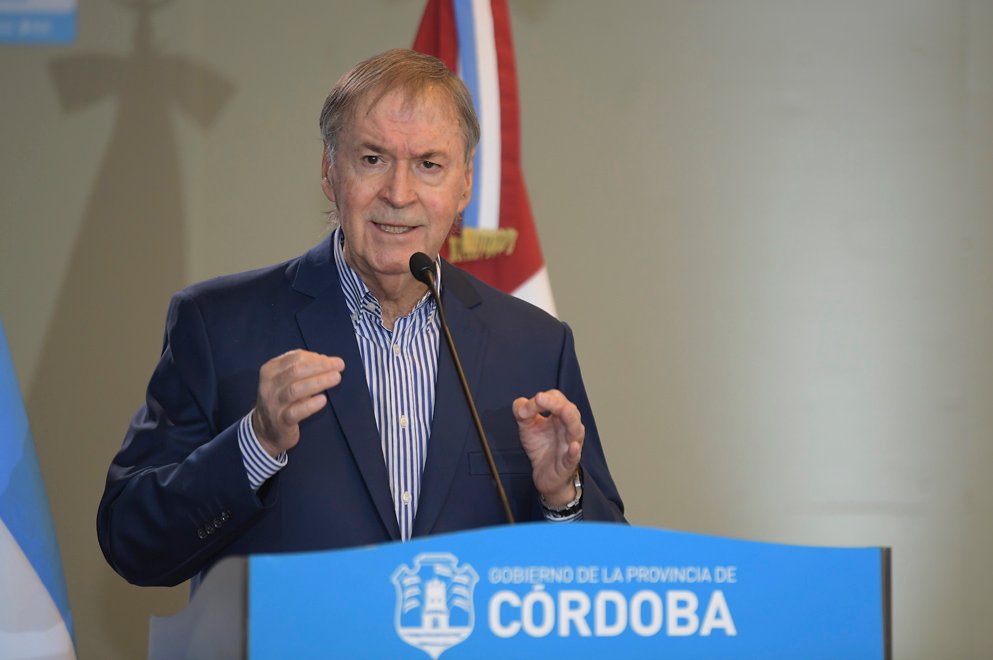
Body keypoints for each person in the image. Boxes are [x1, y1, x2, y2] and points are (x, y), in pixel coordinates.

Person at [97, 48, 624, 589]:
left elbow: (607, 576)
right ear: (330, 172)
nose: (398, 194)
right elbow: (131, 540)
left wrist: (562, 498)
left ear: (465, 184)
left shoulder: (535, 346)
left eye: (429, 164)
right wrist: (254, 443)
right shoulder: (217, 325)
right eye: (373, 159)